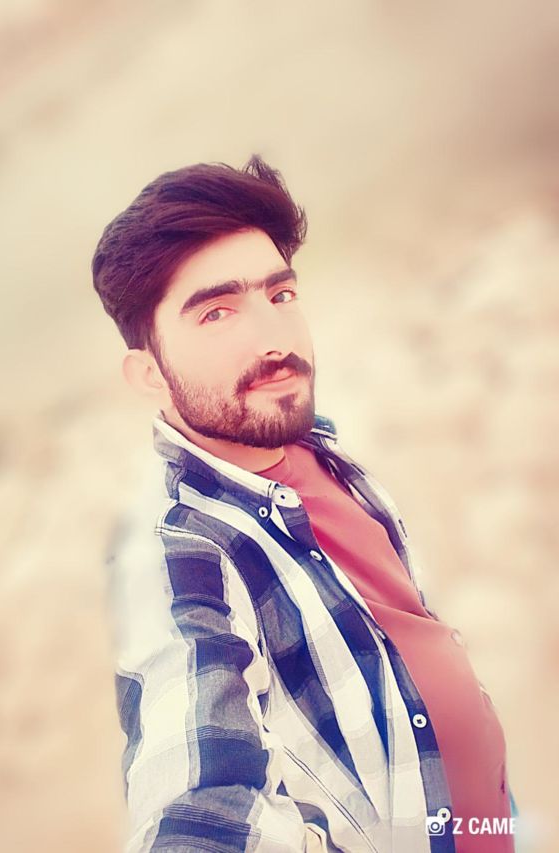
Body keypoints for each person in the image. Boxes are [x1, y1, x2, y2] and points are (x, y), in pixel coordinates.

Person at [91, 156, 517, 852]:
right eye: (217, 312)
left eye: (280, 294)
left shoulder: (321, 450)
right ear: (149, 374)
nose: (274, 339)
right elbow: (197, 807)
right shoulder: (180, 552)